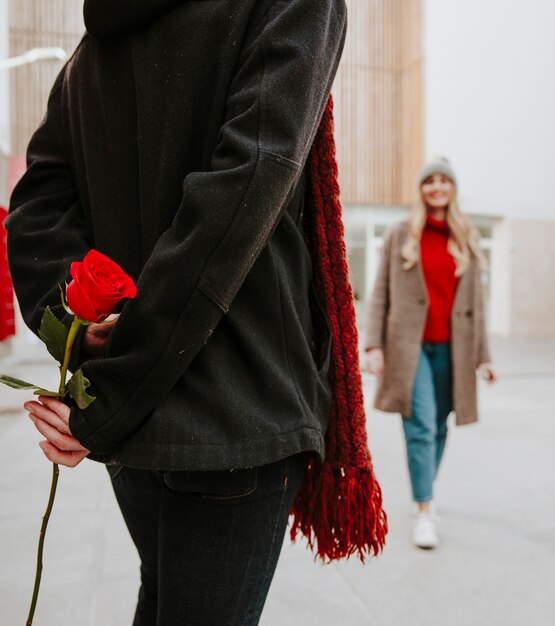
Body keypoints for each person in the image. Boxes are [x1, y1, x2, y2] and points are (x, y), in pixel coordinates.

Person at [6, 1, 387, 624]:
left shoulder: (93, 49)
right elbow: (247, 185)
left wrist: (83, 330)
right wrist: (119, 389)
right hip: (235, 410)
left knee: (161, 598)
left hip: (140, 423)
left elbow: (39, 204)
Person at [364, 156, 496, 550]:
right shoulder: (401, 233)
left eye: (443, 181)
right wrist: (373, 345)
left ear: (452, 188)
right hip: (411, 348)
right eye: (429, 181)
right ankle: (425, 508)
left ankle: (425, 488)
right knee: (420, 424)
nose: (436, 187)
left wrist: (483, 356)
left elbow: (477, 304)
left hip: (453, 349)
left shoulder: (465, 235)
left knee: (438, 425)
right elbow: (380, 293)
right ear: (421, 189)